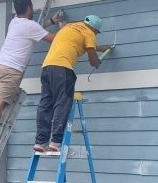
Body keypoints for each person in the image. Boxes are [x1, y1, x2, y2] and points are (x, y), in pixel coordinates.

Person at [0, 0, 62, 148]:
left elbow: (34, 28)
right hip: (11, 70)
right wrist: (64, 28)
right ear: (29, 8)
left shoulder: (14, 22)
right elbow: (53, 38)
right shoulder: (31, 27)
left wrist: (50, 21)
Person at [34, 15, 113, 153]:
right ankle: (56, 142)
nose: (95, 35)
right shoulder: (89, 33)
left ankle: (41, 142)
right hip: (62, 69)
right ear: (94, 29)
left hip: (47, 68)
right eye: (96, 32)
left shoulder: (69, 27)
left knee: (46, 103)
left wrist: (99, 49)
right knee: (63, 103)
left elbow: (79, 45)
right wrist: (97, 62)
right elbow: (92, 60)